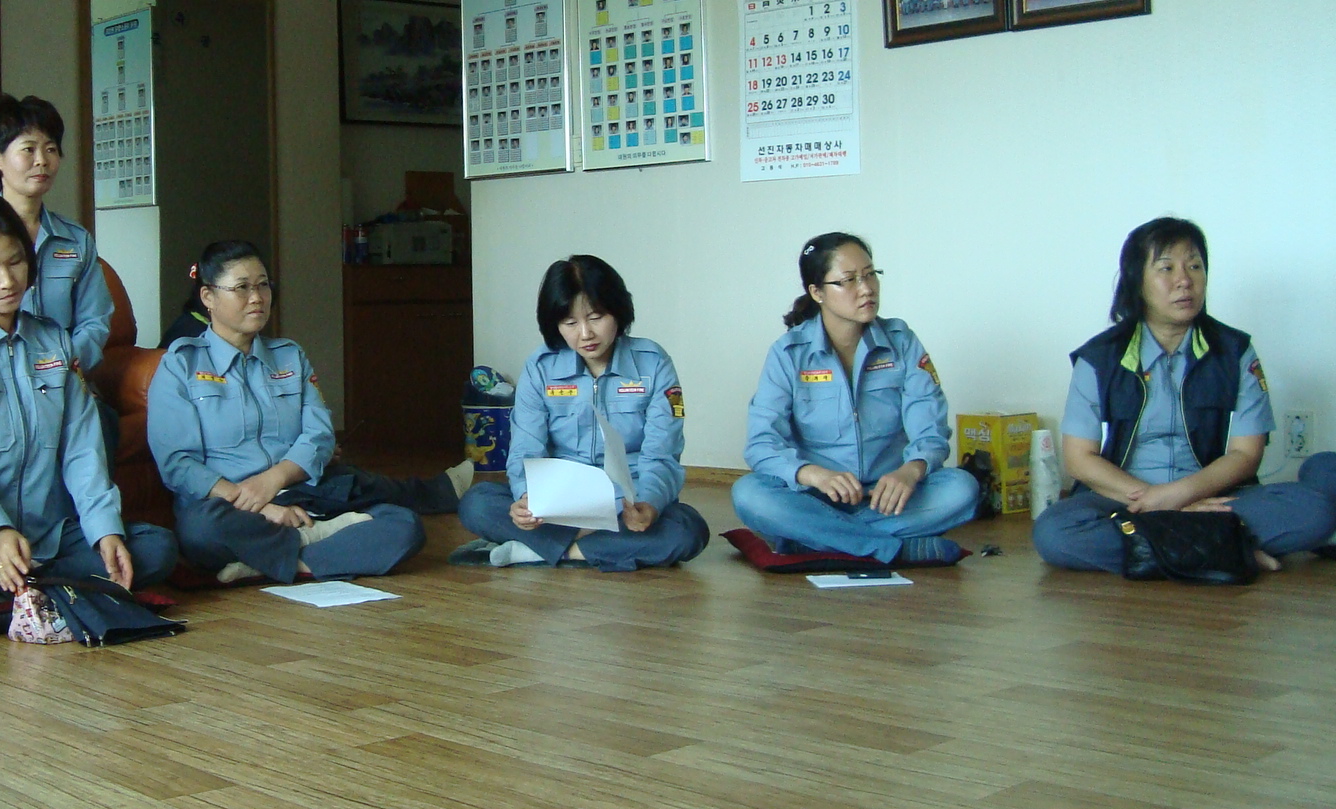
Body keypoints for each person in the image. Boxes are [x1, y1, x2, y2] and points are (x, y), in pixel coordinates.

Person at [0, 194, 176, 614]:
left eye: (15, 262)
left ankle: (13, 593)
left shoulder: (54, 342)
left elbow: (83, 451)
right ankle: (48, 588)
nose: (7, 281)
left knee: (156, 549)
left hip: (46, 538)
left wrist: (104, 530)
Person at [147, 240, 467, 584]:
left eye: (263, 285)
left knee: (404, 526)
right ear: (208, 297)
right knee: (200, 532)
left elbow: (319, 433)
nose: (257, 298)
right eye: (242, 288)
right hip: (227, 505)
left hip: (301, 492)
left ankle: (270, 562)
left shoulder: (288, 355)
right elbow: (177, 462)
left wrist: (273, 480)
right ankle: (315, 546)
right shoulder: (181, 364)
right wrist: (259, 505)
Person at [1032, 218, 1336, 573]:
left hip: (1213, 497)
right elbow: (1079, 460)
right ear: (1136, 280)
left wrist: (1178, 497)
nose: (1184, 280)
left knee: (1314, 510)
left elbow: (1245, 455)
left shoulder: (1234, 352)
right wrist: (1157, 502)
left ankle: (1168, 551)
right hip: (1124, 499)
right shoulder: (1099, 359)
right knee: (1054, 533)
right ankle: (1226, 550)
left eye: (1194, 266)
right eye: (1167, 268)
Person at [732, 233, 979, 563]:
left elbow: (930, 428)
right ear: (817, 292)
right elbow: (762, 444)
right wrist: (814, 475)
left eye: (870, 274)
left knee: (962, 489)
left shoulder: (901, 342)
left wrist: (911, 470)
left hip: (888, 497)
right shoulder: (789, 354)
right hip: (816, 497)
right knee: (749, 494)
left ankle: (817, 539)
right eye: (848, 280)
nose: (866, 289)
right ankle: (890, 548)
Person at [456, 255, 707, 570]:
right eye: (570, 323)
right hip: (558, 504)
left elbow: (663, 452)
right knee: (477, 503)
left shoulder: (653, 363)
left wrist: (649, 504)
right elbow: (526, 447)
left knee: (688, 531)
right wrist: (526, 498)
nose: (585, 333)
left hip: (628, 504)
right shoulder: (541, 367)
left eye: (596, 317)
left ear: (618, 311)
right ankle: (595, 549)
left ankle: (539, 551)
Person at [0, 94, 118, 455]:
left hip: (66, 379)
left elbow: (95, 320)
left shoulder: (76, 240)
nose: (42, 160)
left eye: (51, 149)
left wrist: (61, 366)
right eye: (28, 149)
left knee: (101, 423)